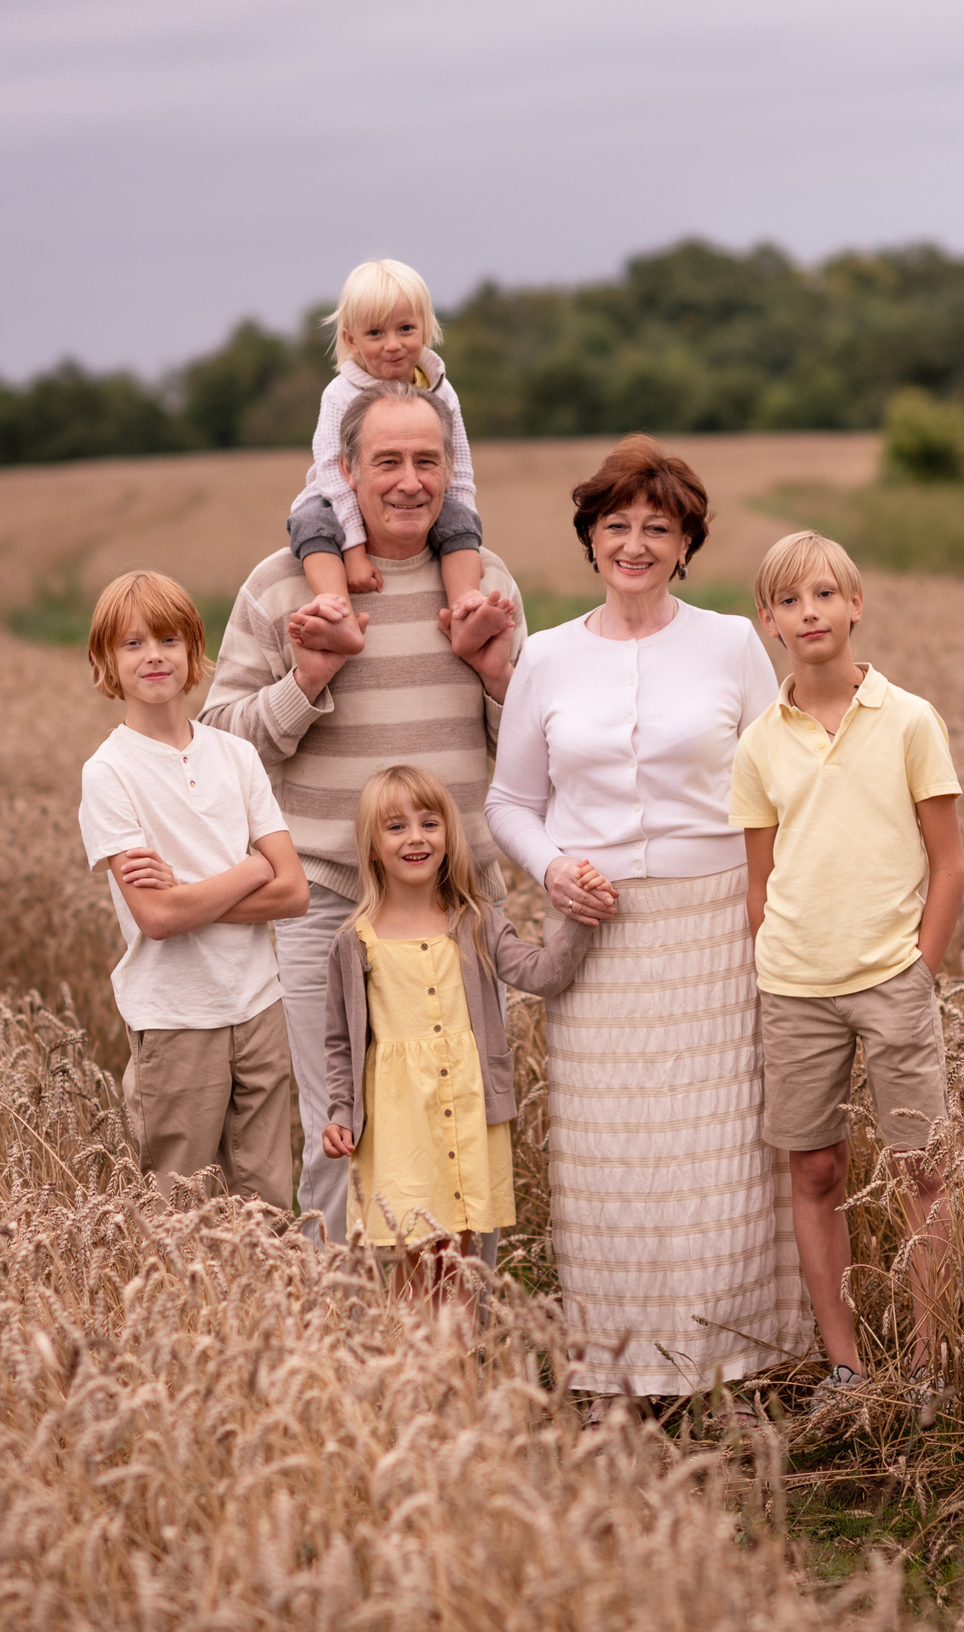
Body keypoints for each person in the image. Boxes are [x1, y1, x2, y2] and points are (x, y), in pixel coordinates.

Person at [485, 435, 813, 1408]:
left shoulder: (727, 644)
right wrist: (553, 869)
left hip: (715, 929)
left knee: (721, 1151)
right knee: (610, 1157)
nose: (633, 543)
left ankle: (736, 1363)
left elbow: (777, 781)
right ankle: (619, 1368)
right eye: (616, 525)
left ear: (684, 545)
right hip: (598, 940)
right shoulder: (544, 656)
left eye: (655, 529)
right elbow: (509, 801)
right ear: (590, 537)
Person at [203, 381, 524, 1240]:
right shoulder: (279, 590)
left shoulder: (485, 585)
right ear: (346, 471)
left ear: (451, 470)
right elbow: (217, 746)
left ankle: (460, 1346)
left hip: (459, 907)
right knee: (340, 1130)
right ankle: (347, 1354)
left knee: (463, 1116)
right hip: (326, 907)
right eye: (387, 462)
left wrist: (496, 675)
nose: (409, 481)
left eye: (427, 461)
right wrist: (308, 677)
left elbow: (526, 749)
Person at [729, 530, 964, 1411]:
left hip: (891, 980)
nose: (810, 612)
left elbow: (948, 862)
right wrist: (777, 954)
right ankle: (845, 1368)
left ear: (855, 604)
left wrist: (920, 970)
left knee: (922, 1170)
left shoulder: (908, 719)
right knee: (817, 1171)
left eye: (825, 594)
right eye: (790, 601)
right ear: (769, 623)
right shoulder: (759, 743)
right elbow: (760, 882)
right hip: (795, 987)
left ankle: (934, 1362)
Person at [76, 570, 311, 1200]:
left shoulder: (235, 755)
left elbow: (295, 894)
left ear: (193, 651)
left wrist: (189, 893)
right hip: (177, 1016)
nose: (154, 656)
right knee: (178, 1210)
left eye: (169, 640)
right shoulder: (109, 774)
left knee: (267, 1205)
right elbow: (156, 919)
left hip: (260, 1006)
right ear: (107, 661)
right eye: (132, 644)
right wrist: (252, 868)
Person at [319, 766, 590, 1295]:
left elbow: (541, 974)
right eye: (395, 827)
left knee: (460, 1267)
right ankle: (416, 1374)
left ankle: (462, 1375)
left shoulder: (475, 920)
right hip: (398, 1127)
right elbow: (339, 1042)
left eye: (429, 823)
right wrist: (339, 1111)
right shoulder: (354, 941)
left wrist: (578, 913)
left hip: (467, 1112)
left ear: (448, 835)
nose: (416, 838)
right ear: (372, 847)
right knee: (409, 1264)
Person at [285, 259, 487, 657]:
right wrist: (354, 550)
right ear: (351, 338)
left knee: (460, 518)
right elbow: (331, 469)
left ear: (425, 329)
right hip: (336, 495)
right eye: (375, 332)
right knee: (309, 523)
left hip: (420, 499)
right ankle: (336, 615)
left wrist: (469, 541)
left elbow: (458, 466)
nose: (393, 344)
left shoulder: (442, 391)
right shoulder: (340, 394)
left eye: (405, 329)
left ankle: (466, 611)